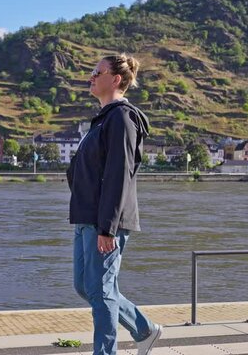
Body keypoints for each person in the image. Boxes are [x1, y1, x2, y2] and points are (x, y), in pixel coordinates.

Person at [66, 54, 162, 355]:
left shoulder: (122, 117)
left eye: (98, 72)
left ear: (116, 79)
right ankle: (145, 329)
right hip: (86, 217)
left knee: (101, 289)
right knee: (86, 286)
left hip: (105, 222)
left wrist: (107, 227)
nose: (91, 77)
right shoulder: (101, 120)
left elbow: (118, 175)